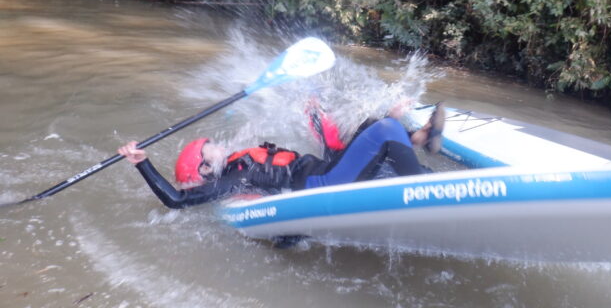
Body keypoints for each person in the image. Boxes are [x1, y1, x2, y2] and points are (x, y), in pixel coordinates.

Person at [118, 103, 444, 209]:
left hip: (327, 170)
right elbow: (176, 200)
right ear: (205, 168)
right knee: (386, 127)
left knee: (373, 124)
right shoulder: (235, 177)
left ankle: (419, 138)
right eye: (209, 146)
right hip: (324, 184)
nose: (216, 143)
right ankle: (417, 187)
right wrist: (142, 163)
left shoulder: (242, 161)